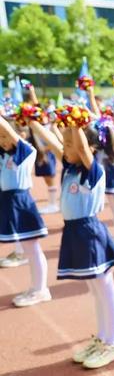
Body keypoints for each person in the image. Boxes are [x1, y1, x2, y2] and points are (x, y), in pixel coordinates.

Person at [29, 118, 114, 368]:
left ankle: (112, 343)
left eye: (70, 143)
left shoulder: (92, 169)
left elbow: (80, 148)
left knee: (104, 289)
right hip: (74, 231)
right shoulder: (70, 167)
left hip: (90, 232)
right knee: (95, 291)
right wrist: (34, 122)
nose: (65, 147)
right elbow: (55, 142)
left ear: (89, 148)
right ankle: (102, 339)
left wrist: (76, 122)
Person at [0, 117, 50, 307]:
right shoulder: (4, 155)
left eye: (5, 136)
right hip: (7, 201)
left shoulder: (25, 152)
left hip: (21, 203)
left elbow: (10, 132)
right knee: (29, 249)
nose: (3, 140)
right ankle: (37, 287)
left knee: (33, 248)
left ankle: (40, 289)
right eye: (0, 137)